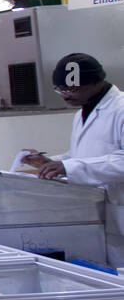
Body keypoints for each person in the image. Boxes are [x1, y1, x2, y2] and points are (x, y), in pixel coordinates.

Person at [24, 53, 124, 267]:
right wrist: (52, 162)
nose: (65, 96)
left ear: (96, 83)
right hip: (97, 215)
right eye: (60, 89)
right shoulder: (82, 113)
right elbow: (83, 155)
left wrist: (69, 166)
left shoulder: (121, 109)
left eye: (72, 89)